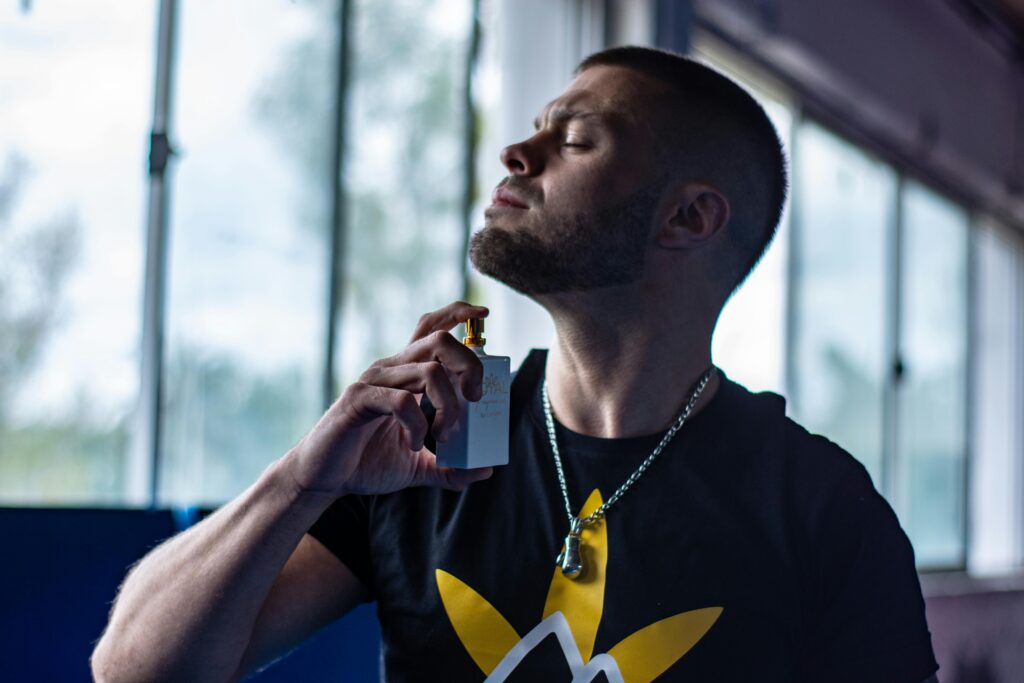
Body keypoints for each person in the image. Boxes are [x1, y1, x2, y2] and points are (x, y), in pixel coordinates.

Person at [91, 46, 940, 682]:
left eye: (573, 139)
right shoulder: (431, 445)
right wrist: (303, 480)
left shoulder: (820, 509)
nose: (516, 155)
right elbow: (133, 670)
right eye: (535, 127)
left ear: (687, 219)